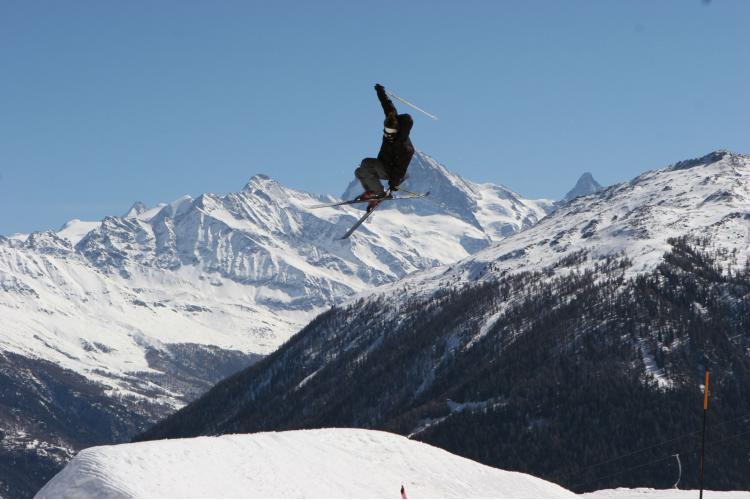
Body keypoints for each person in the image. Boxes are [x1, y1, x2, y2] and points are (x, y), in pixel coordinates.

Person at [355, 83, 415, 211]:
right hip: (384, 164)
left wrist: (394, 184)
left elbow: (401, 167)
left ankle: (379, 193)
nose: (387, 135)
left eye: (390, 133)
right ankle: (372, 192)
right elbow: (387, 105)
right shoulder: (392, 118)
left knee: (367, 163)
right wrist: (380, 91)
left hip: (392, 171)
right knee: (360, 171)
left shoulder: (404, 147)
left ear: (397, 130)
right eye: (385, 131)